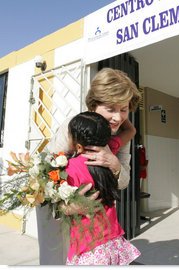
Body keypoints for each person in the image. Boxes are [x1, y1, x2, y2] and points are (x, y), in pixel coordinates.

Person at [36, 67, 141, 265]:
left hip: (97, 224)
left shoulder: (120, 138)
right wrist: (67, 206)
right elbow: (44, 172)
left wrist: (115, 164)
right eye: (110, 109)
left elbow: (123, 182)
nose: (118, 118)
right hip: (61, 214)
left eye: (124, 109)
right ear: (93, 105)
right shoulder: (75, 127)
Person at [62, 111, 140, 265]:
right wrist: (122, 115)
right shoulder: (110, 156)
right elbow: (131, 131)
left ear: (78, 146)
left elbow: (57, 203)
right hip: (113, 242)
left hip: (88, 249)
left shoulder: (69, 169)